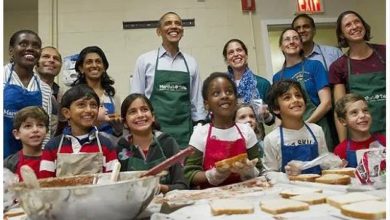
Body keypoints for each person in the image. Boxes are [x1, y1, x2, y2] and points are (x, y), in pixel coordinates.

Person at [131, 12, 206, 148]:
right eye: (168, 23)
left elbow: (197, 102)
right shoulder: (145, 61)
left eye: (178, 23)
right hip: (153, 133)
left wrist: (199, 128)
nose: (174, 26)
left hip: (185, 134)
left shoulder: (191, 62)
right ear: (158, 31)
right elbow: (135, 100)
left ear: (182, 31)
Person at [184, 72, 263, 188]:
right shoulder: (200, 134)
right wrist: (212, 175)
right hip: (210, 200)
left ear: (236, 100)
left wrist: (249, 172)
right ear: (207, 104)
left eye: (229, 92)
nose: (224, 96)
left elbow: (259, 168)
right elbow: (189, 174)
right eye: (216, 93)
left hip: (245, 196)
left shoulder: (247, 131)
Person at [273, 28, 334, 152]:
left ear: (301, 44)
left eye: (296, 38)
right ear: (281, 46)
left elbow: (326, 103)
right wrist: (277, 133)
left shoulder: (315, 66)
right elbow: (279, 111)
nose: (292, 42)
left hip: (318, 127)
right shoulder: (277, 77)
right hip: (290, 134)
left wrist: (306, 125)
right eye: (287, 39)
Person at [329, 10, 386, 142]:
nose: (354, 27)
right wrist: (343, 146)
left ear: (364, 25)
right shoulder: (339, 66)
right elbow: (340, 109)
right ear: (342, 34)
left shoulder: (385, 52)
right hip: (363, 136)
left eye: (357, 22)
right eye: (348, 25)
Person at [39, 84, 118, 178]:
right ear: (66, 113)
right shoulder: (52, 147)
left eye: (93, 105)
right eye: (81, 105)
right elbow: (45, 185)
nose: (89, 110)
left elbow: (112, 183)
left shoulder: (106, 145)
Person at [116, 93, 188, 193]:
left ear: (153, 116)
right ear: (125, 123)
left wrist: (159, 188)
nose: (140, 115)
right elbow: (116, 188)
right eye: (133, 112)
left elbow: (183, 186)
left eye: (144, 109)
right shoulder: (121, 147)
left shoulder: (168, 143)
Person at [4, 30, 53, 158]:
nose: (30, 48)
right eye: (23, 44)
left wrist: (40, 161)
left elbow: (45, 131)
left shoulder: (45, 89)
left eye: (35, 46)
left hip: (29, 160)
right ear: (11, 50)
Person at [263, 79, 328, 175]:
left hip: (318, 186)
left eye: (298, 95)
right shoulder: (271, 139)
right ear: (276, 109)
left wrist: (334, 164)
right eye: (287, 98)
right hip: (288, 188)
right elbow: (270, 173)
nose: (295, 100)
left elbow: (325, 163)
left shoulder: (317, 130)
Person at [223, 39, 275, 138]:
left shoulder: (262, 84)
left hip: (256, 141)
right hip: (229, 141)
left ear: (246, 55)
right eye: (231, 52)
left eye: (239, 50)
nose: (236, 54)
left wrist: (266, 115)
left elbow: (272, 120)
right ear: (227, 60)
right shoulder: (222, 86)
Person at [73, 46, 123, 138]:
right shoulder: (74, 94)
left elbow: (118, 122)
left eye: (98, 61)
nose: (94, 65)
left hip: (110, 146)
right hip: (83, 146)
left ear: (104, 67)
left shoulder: (112, 94)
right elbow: (70, 126)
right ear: (81, 68)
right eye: (89, 62)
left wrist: (118, 129)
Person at [334, 93, 386, 167]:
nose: (362, 115)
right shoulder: (341, 150)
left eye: (365, 110)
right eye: (354, 112)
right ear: (343, 121)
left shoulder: (384, 141)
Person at [4, 106, 49, 181]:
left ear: (47, 131)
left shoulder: (53, 159)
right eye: (28, 126)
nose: (35, 130)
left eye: (40, 125)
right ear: (17, 134)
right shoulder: (9, 163)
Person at [36, 46, 63, 137]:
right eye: (46, 56)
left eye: (56, 58)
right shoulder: (24, 89)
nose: (51, 60)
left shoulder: (61, 95)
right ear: (36, 62)